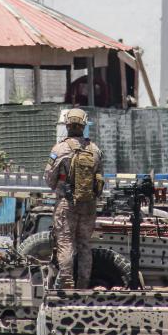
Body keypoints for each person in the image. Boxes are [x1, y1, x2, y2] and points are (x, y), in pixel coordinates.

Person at [45, 108, 104, 289]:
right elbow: (100, 178)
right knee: (84, 244)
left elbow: (49, 179)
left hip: (66, 204)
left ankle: (67, 283)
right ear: (84, 125)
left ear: (67, 125)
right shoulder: (95, 150)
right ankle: (83, 284)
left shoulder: (59, 149)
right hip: (89, 204)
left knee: (65, 243)